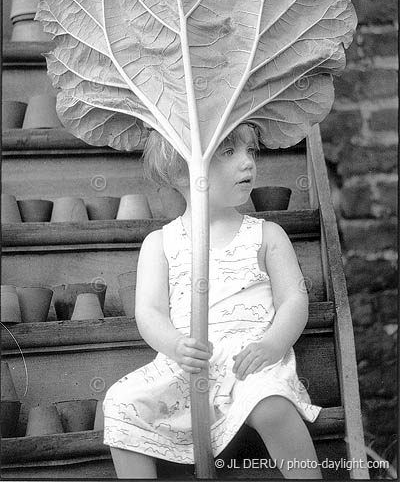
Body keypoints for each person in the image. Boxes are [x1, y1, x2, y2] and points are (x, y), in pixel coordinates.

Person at [103, 123, 322, 479]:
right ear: (180, 170)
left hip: (248, 361)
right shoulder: (160, 243)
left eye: (252, 151)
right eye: (229, 152)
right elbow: (150, 311)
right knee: (119, 401)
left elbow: (294, 299)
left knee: (271, 405)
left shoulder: (267, 235)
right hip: (188, 363)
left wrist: (273, 344)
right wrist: (176, 345)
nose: (248, 162)